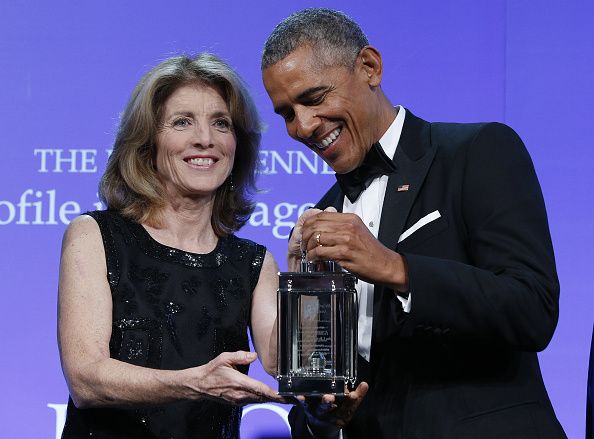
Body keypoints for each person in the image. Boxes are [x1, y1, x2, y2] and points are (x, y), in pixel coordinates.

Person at [261, 8, 567, 439]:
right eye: (286, 114)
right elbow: (324, 388)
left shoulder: (475, 152)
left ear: (369, 66)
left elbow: (533, 309)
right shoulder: (324, 216)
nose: (303, 126)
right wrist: (320, 417)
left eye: (313, 98)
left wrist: (396, 269)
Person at [58, 53, 283, 438]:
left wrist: (307, 279)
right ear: (147, 143)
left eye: (221, 123)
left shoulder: (253, 263)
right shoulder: (95, 235)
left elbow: (287, 364)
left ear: (237, 145)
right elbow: (86, 380)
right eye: (183, 122)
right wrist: (194, 381)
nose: (205, 139)